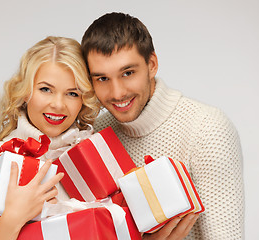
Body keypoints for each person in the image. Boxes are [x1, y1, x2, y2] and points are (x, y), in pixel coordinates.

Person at [81, 12, 244, 239]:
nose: (117, 93)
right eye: (102, 78)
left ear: (152, 64)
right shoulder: (94, 136)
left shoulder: (207, 129)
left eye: (128, 73)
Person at [0, 36, 100, 239]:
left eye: (72, 93)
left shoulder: (94, 156)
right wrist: (14, 217)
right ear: (26, 92)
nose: (58, 104)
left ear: (83, 100)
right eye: (45, 89)